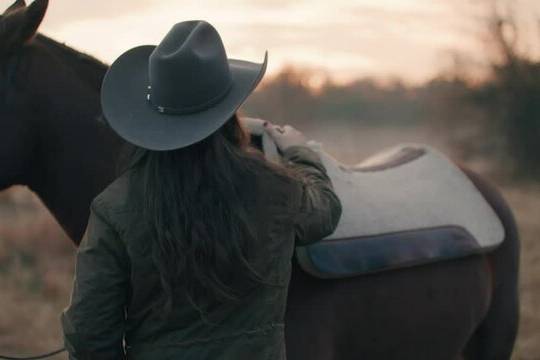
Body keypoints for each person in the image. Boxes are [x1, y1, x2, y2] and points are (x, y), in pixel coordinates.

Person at [61, 20, 341, 360]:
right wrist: (300, 151)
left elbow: (89, 335)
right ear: (227, 113)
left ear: (153, 116)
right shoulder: (278, 188)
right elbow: (325, 210)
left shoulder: (114, 208)